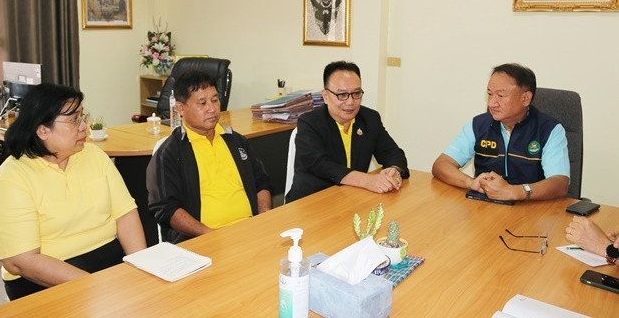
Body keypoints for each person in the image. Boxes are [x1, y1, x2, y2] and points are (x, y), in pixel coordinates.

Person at [0, 84, 146, 300]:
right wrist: (96, 287)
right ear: (43, 130)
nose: (84, 126)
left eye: (82, 116)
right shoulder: (9, 181)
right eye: (74, 120)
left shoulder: (93, 155)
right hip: (45, 283)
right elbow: (21, 261)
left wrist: (141, 267)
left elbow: (125, 214)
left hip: (109, 269)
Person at [146, 70, 272, 243]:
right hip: (203, 240)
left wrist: (264, 216)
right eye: (202, 103)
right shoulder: (169, 153)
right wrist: (211, 235)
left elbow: (262, 183)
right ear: (181, 108)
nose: (212, 109)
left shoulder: (236, 141)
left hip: (249, 232)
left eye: (215, 100)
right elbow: (166, 208)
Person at [432, 63, 570, 201]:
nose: (491, 103)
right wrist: (470, 183)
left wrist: (515, 192)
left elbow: (560, 183)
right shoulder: (479, 125)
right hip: (485, 207)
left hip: (532, 207)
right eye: (490, 94)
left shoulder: (549, 130)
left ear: (525, 98)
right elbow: (441, 164)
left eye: (500, 95)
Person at [286, 61, 409, 202]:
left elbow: (392, 153)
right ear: (325, 96)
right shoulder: (310, 122)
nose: (350, 102)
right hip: (312, 201)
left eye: (356, 93)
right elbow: (320, 164)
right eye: (342, 94)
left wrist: (394, 170)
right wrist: (367, 180)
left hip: (351, 199)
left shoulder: (370, 119)